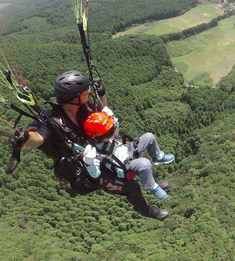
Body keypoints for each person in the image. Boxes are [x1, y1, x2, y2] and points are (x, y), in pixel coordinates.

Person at [15, 70, 171, 220]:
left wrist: (102, 95)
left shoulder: (84, 107)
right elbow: (39, 138)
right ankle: (147, 210)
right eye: (85, 92)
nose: (88, 93)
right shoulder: (52, 121)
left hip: (105, 147)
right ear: (75, 98)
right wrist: (25, 138)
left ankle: (152, 182)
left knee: (140, 153)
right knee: (131, 187)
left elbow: (102, 115)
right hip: (89, 164)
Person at [82, 112, 175, 201]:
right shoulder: (94, 151)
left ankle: (158, 156)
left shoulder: (103, 136)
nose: (112, 133)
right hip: (124, 165)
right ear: (99, 137)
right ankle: (152, 186)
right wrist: (89, 163)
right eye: (109, 132)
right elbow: (95, 174)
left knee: (149, 136)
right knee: (144, 163)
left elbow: (114, 132)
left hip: (128, 150)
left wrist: (113, 120)